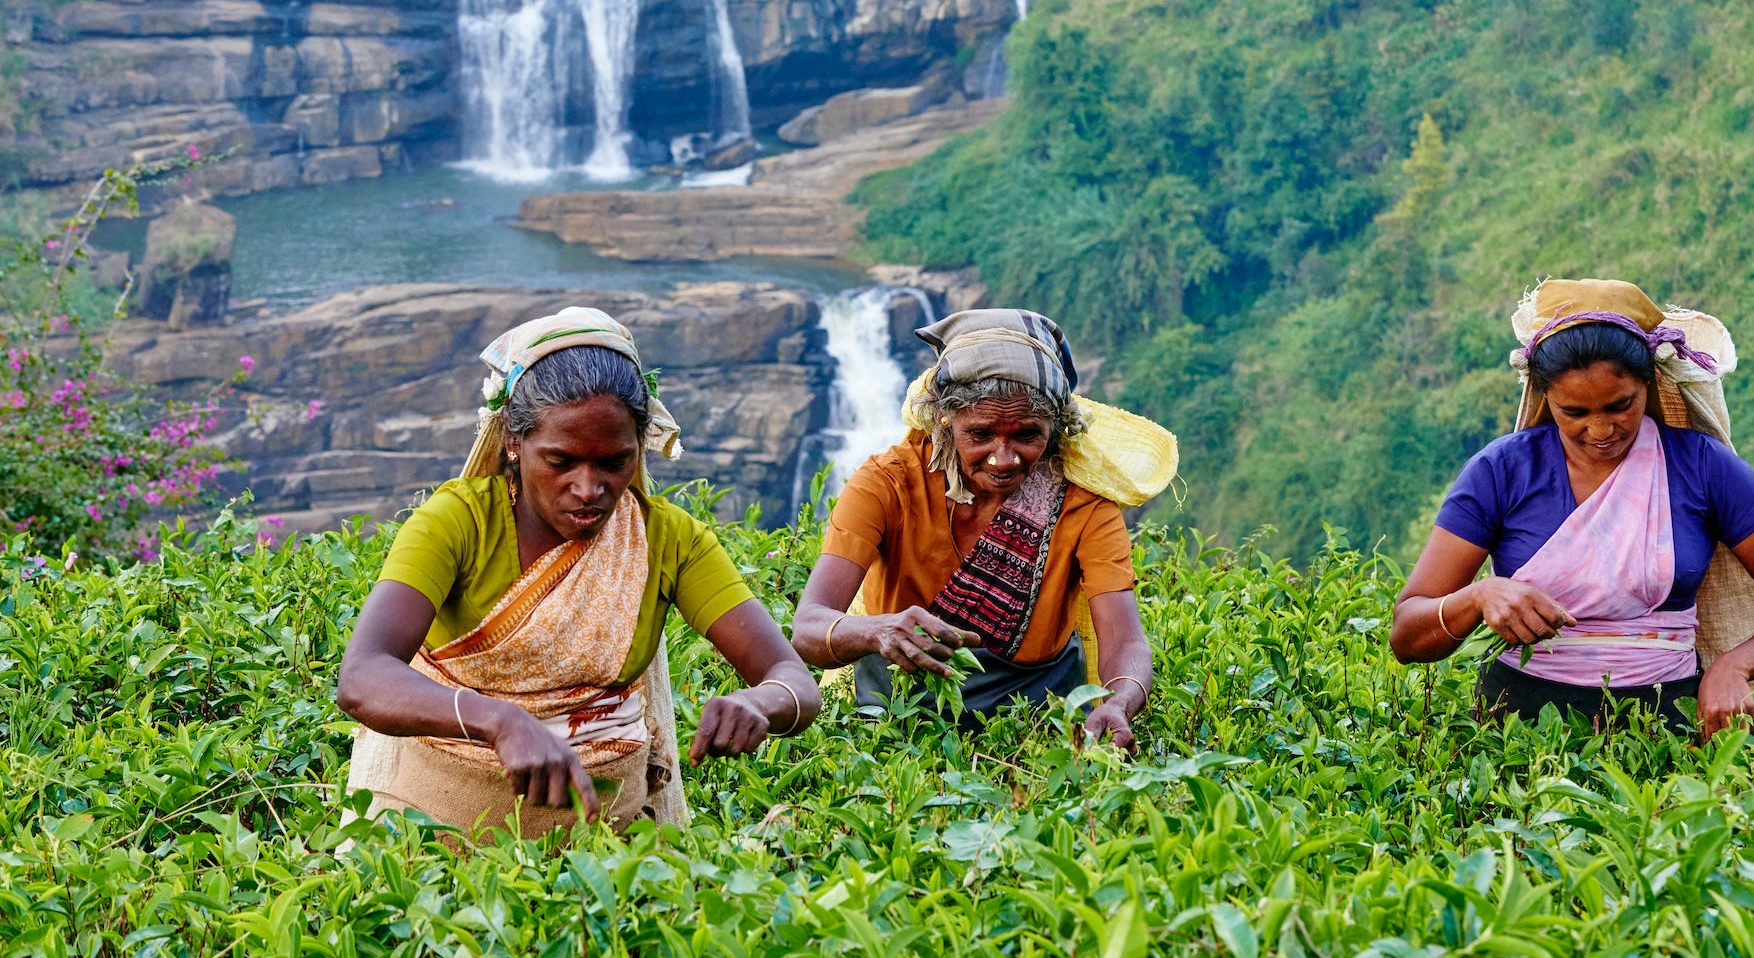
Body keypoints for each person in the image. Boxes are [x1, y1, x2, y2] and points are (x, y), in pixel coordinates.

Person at [337, 307, 819, 837]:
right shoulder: (457, 523)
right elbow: (363, 677)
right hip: (433, 847)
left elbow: (795, 681)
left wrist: (761, 703)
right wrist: (498, 721)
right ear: (513, 444)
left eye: (614, 462)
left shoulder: (667, 539)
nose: (589, 489)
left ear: (640, 446)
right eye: (562, 461)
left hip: (613, 849)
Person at [1390, 279, 1754, 738]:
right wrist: (1479, 597)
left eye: (1621, 406)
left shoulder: (1702, 467)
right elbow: (1407, 635)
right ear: (1544, 397)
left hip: (1669, 723)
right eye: (1574, 412)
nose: (1601, 429)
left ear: (1649, 382)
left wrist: (1734, 666)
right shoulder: (1502, 470)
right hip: (1520, 730)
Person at [790, 309, 1175, 748]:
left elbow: (1125, 637)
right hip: (901, 715)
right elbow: (808, 629)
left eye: (1028, 434)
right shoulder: (889, 483)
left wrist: (1119, 702)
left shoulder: (1081, 502)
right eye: (980, 434)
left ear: (1056, 429)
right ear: (943, 421)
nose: (1003, 457)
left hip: (1040, 714)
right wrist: (878, 631)